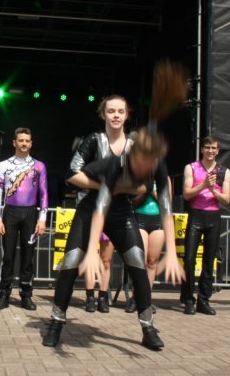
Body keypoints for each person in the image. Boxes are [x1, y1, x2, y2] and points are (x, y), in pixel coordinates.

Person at [43, 126, 185, 351]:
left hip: (121, 211)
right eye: (141, 162)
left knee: (138, 263)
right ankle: (56, 322)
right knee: (70, 262)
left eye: (149, 163)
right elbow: (100, 209)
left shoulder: (157, 165)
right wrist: (91, 252)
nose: (144, 168)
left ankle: (148, 328)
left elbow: (166, 209)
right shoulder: (115, 164)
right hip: (91, 207)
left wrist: (173, 254)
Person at [67, 95, 130, 314]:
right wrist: (100, 185)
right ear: (103, 114)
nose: (116, 115)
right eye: (111, 111)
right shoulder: (93, 141)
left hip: (112, 212)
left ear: (127, 115)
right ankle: (89, 296)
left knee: (106, 259)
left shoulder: (131, 146)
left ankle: (104, 296)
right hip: (90, 209)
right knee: (88, 255)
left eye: (120, 111)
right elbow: (72, 173)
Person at [0, 127, 48, 310]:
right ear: (14, 143)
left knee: (28, 256)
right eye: (21, 140)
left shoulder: (39, 166)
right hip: (10, 213)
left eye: (27, 141)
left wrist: (42, 218)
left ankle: (26, 294)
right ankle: (4, 293)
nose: (24, 143)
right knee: (7, 256)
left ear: (31, 143)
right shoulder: (3, 165)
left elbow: (43, 193)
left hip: (30, 214)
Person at [180, 136, 230, 315]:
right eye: (207, 147)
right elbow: (186, 194)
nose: (210, 151)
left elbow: (226, 199)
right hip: (195, 215)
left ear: (218, 151)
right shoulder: (191, 167)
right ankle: (188, 299)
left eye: (213, 148)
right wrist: (203, 185)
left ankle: (203, 300)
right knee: (189, 259)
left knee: (209, 261)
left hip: (213, 217)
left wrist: (212, 190)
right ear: (202, 149)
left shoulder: (224, 171)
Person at [125, 176, 172, 313]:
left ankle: (146, 299)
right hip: (140, 218)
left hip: (158, 220)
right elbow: (132, 201)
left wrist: (153, 191)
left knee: (152, 261)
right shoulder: (139, 175)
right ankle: (135, 298)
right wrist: (145, 190)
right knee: (140, 260)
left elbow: (167, 202)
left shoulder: (165, 178)